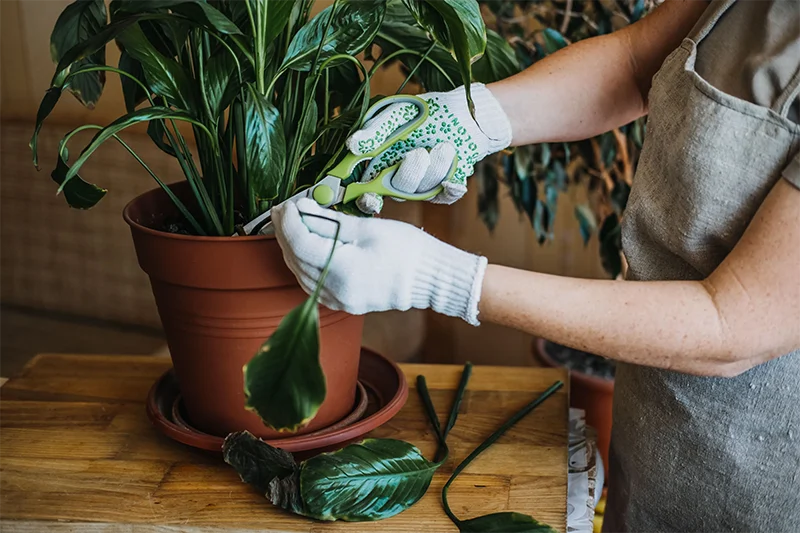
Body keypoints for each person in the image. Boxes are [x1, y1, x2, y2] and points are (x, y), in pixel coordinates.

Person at [272, 0, 800, 530]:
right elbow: (640, 60)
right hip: (654, 450)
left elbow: (734, 321)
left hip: (758, 488)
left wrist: (441, 279)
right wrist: (474, 119)